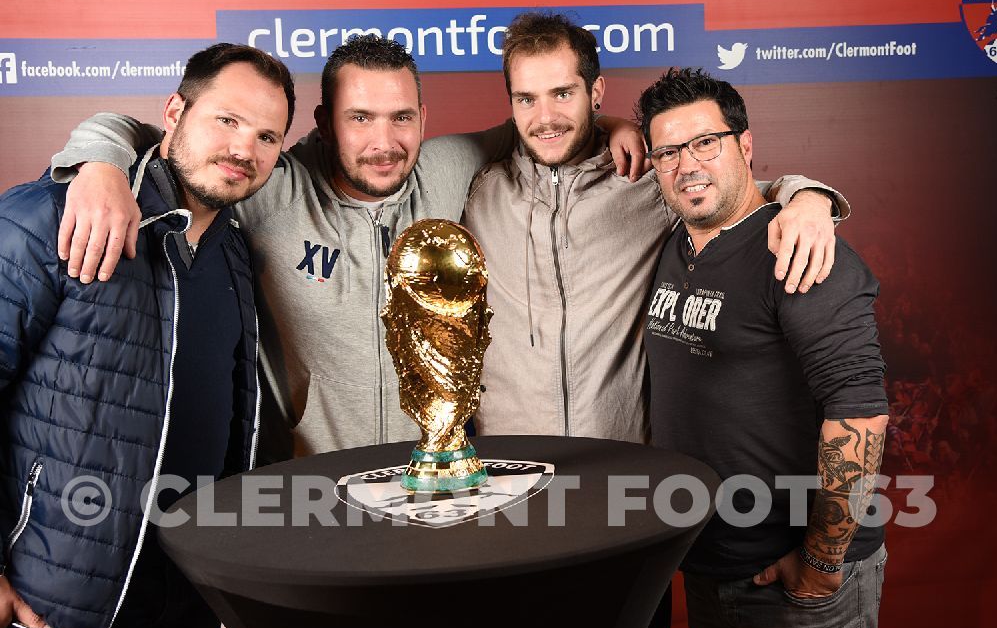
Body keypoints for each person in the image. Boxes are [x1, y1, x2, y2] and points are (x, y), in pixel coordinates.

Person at [49, 35, 648, 460]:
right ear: (322, 120)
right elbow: (156, 135)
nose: (384, 142)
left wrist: (617, 124)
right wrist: (99, 165)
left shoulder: (450, 165)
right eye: (359, 118)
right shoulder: (269, 183)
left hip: (436, 483)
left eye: (401, 118)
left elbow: (546, 125)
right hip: (309, 487)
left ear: (423, 116)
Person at [0, 43, 294, 628]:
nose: (244, 150)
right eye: (228, 121)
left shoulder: (235, 253)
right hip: (58, 604)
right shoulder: (52, 217)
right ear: (174, 111)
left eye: (268, 137)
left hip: (190, 596)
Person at [463, 12, 848, 443]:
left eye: (563, 93)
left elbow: (738, 192)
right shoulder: (479, 193)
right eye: (526, 99)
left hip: (623, 463)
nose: (545, 117)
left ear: (596, 93)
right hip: (513, 466)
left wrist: (810, 198)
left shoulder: (648, 182)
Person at [638, 67, 889, 628]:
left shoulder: (798, 247)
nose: (687, 165)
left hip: (795, 582)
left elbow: (859, 411)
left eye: (706, 142)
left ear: (745, 145)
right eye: (668, 152)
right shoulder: (674, 241)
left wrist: (822, 564)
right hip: (707, 561)